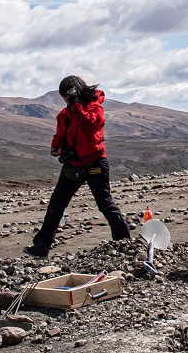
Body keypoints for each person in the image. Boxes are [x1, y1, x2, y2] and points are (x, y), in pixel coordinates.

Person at [24, 76, 130, 257]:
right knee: (56, 204)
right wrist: (57, 148)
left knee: (104, 202)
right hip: (74, 165)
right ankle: (42, 246)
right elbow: (60, 135)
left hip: (95, 162)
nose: (65, 99)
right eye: (63, 96)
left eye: (67, 95)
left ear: (76, 91)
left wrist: (75, 105)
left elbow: (90, 125)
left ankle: (124, 241)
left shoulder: (94, 107)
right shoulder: (65, 114)